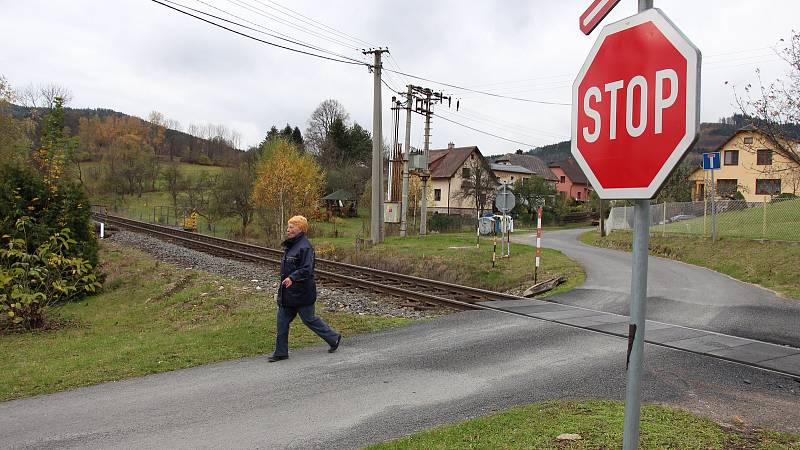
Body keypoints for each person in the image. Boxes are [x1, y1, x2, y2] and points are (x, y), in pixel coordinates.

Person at [268, 215, 341, 362]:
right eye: (288, 227)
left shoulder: (305, 247)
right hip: (288, 294)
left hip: (302, 293)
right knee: (282, 321)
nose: (288, 230)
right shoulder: (291, 245)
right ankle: (281, 352)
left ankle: (333, 338)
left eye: (291, 227)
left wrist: (292, 278)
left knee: (309, 319)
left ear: (300, 229)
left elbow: (307, 269)